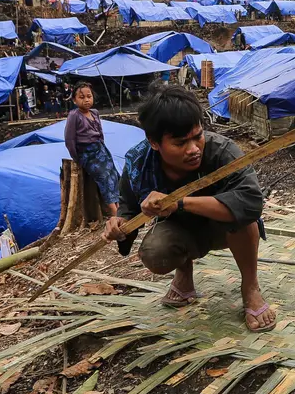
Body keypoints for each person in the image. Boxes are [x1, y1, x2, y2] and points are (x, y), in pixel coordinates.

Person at [102, 84, 276, 332]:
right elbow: (128, 206)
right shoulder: (138, 163)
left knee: (242, 216)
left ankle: (250, 288)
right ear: (154, 143)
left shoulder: (223, 152)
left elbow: (250, 202)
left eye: (198, 136)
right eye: (180, 142)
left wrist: (180, 202)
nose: (193, 149)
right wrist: (120, 223)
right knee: (155, 252)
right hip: (180, 228)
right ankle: (184, 272)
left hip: (224, 226)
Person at [64, 81, 120, 217]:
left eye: (89, 96)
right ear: (74, 100)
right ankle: (114, 212)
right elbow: (69, 139)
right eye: (81, 97)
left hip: (100, 150)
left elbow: (100, 133)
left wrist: (102, 148)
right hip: (87, 154)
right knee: (103, 177)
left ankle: (119, 205)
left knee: (114, 175)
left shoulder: (95, 113)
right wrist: (76, 157)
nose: (86, 100)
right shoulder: (74, 115)